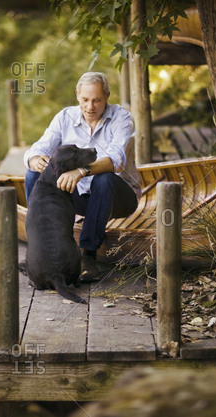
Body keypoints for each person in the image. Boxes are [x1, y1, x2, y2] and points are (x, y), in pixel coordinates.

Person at [23, 72, 141, 280]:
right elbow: (38, 147)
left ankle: (88, 255)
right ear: (77, 94)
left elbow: (116, 160)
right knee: (33, 176)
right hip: (76, 197)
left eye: (97, 100)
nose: (90, 107)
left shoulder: (122, 118)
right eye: (85, 100)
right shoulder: (64, 117)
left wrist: (81, 171)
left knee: (103, 179)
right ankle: (39, 251)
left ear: (107, 97)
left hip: (118, 198)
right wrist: (34, 159)